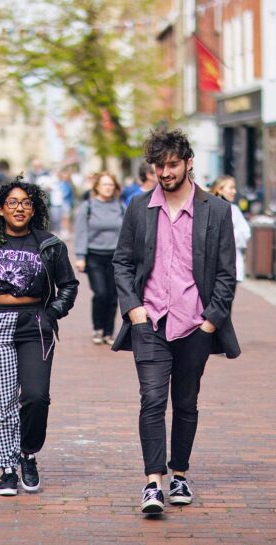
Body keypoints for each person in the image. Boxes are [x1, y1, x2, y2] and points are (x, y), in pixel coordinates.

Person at [112, 128, 240, 515]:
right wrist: (134, 308)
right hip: (149, 321)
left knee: (185, 402)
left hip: (194, 324)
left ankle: (179, 473)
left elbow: (226, 273)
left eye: (171, 164)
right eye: (158, 165)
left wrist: (211, 321)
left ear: (188, 163)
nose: (165, 172)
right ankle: (153, 483)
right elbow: (122, 262)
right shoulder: (138, 207)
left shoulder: (215, 210)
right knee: (151, 400)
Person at [0, 178, 78, 496]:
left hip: (35, 325)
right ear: (0, 209)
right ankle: (7, 467)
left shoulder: (50, 244)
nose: (19, 208)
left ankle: (28, 453)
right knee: (3, 402)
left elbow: (69, 285)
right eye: (12, 202)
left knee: (36, 396)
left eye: (26, 202)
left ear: (34, 208)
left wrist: (51, 314)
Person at [74, 172, 124, 346]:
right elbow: (81, 232)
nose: (108, 188)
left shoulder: (120, 207)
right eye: (104, 184)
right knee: (101, 293)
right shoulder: (88, 207)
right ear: (96, 187)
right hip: (94, 256)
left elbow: (126, 233)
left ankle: (109, 332)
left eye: (111, 185)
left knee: (113, 295)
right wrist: (80, 257)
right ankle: (98, 328)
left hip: (115, 257)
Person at [210, 175, 251, 283]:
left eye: (235, 188)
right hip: (209, 267)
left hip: (229, 266)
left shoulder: (234, 210)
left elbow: (245, 233)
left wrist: (225, 235)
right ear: (220, 189)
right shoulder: (207, 208)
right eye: (231, 188)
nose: (234, 191)